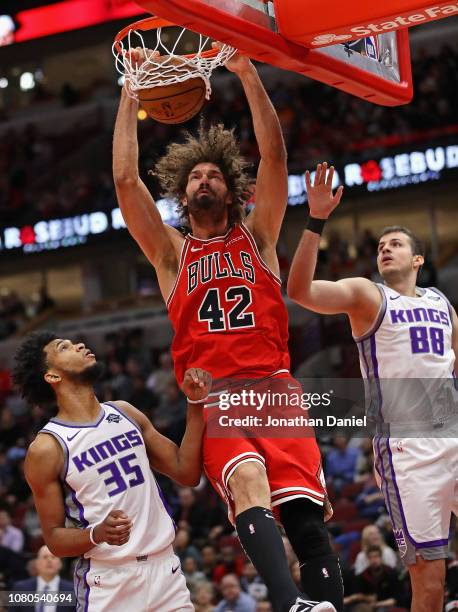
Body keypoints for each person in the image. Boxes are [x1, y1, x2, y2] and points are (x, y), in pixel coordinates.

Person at [113, 48, 341, 612]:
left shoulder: (259, 236)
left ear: (231, 187)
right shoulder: (171, 253)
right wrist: (130, 91)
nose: (204, 179)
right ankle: (291, 604)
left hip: (276, 387)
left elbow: (274, 155)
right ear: (181, 193)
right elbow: (123, 178)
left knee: (307, 522)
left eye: (214, 172)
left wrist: (245, 72)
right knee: (247, 486)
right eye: (195, 176)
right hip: (216, 398)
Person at [287, 161, 458, 612]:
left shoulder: (443, 304)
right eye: (381, 245)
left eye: (397, 244)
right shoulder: (368, 294)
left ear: (417, 259)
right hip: (409, 452)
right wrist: (316, 218)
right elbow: (300, 290)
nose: (386, 249)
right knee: (430, 581)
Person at [12, 330, 211, 611]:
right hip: (109, 582)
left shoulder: (126, 412)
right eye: (64, 347)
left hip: (166, 572)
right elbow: (54, 539)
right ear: (53, 376)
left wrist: (195, 404)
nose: (79, 345)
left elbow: (186, 472)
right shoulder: (47, 448)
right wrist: (97, 533)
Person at [10, 545, 74, 612]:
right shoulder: (20, 589)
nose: (49, 560)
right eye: (45, 557)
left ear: (60, 564)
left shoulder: (72, 590)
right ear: (36, 563)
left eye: (53, 557)